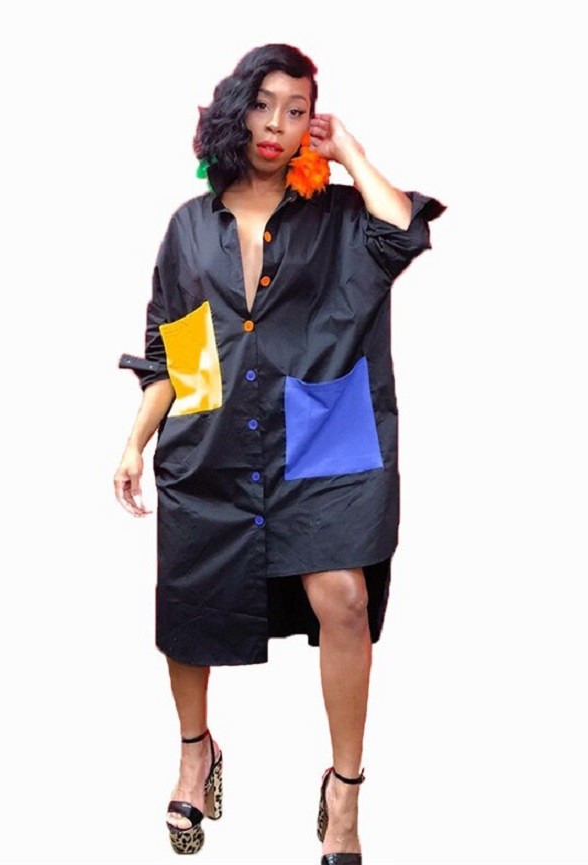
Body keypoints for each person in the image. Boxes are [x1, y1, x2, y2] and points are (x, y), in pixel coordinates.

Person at [114, 42, 445, 864]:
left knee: (344, 598)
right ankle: (196, 752)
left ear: (312, 124)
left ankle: (344, 791)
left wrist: (350, 152)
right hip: (215, 438)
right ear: (236, 109)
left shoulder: (337, 214)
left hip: (323, 431)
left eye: (297, 110)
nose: (277, 123)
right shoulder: (190, 228)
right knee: (190, 604)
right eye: (264, 104)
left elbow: (402, 232)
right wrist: (134, 441)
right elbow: (178, 355)